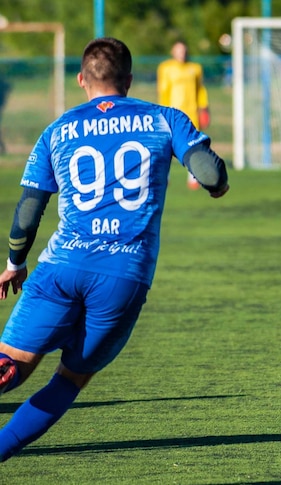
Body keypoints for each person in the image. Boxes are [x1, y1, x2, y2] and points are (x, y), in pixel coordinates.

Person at [0, 37, 229, 461]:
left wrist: (15, 263)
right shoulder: (164, 119)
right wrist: (218, 183)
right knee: (69, 379)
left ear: (81, 79)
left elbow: (29, 210)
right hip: (123, 277)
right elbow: (209, 173)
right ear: (129, 79)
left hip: (60, 266)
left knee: (12, 364)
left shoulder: (58, 130)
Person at [157, 40, 210, 190]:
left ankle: (193, 176)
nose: (182, 54)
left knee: (193, 144)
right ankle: (165, 176)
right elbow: (163, 90)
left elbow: (200, 89)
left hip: (191, 111)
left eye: (184, 50)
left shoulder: (195, 68)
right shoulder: (166, 68)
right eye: (178, 51)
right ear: (173, 52)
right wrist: (163, 111)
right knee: (166, 145)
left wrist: (204, 108)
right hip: (172, 113)